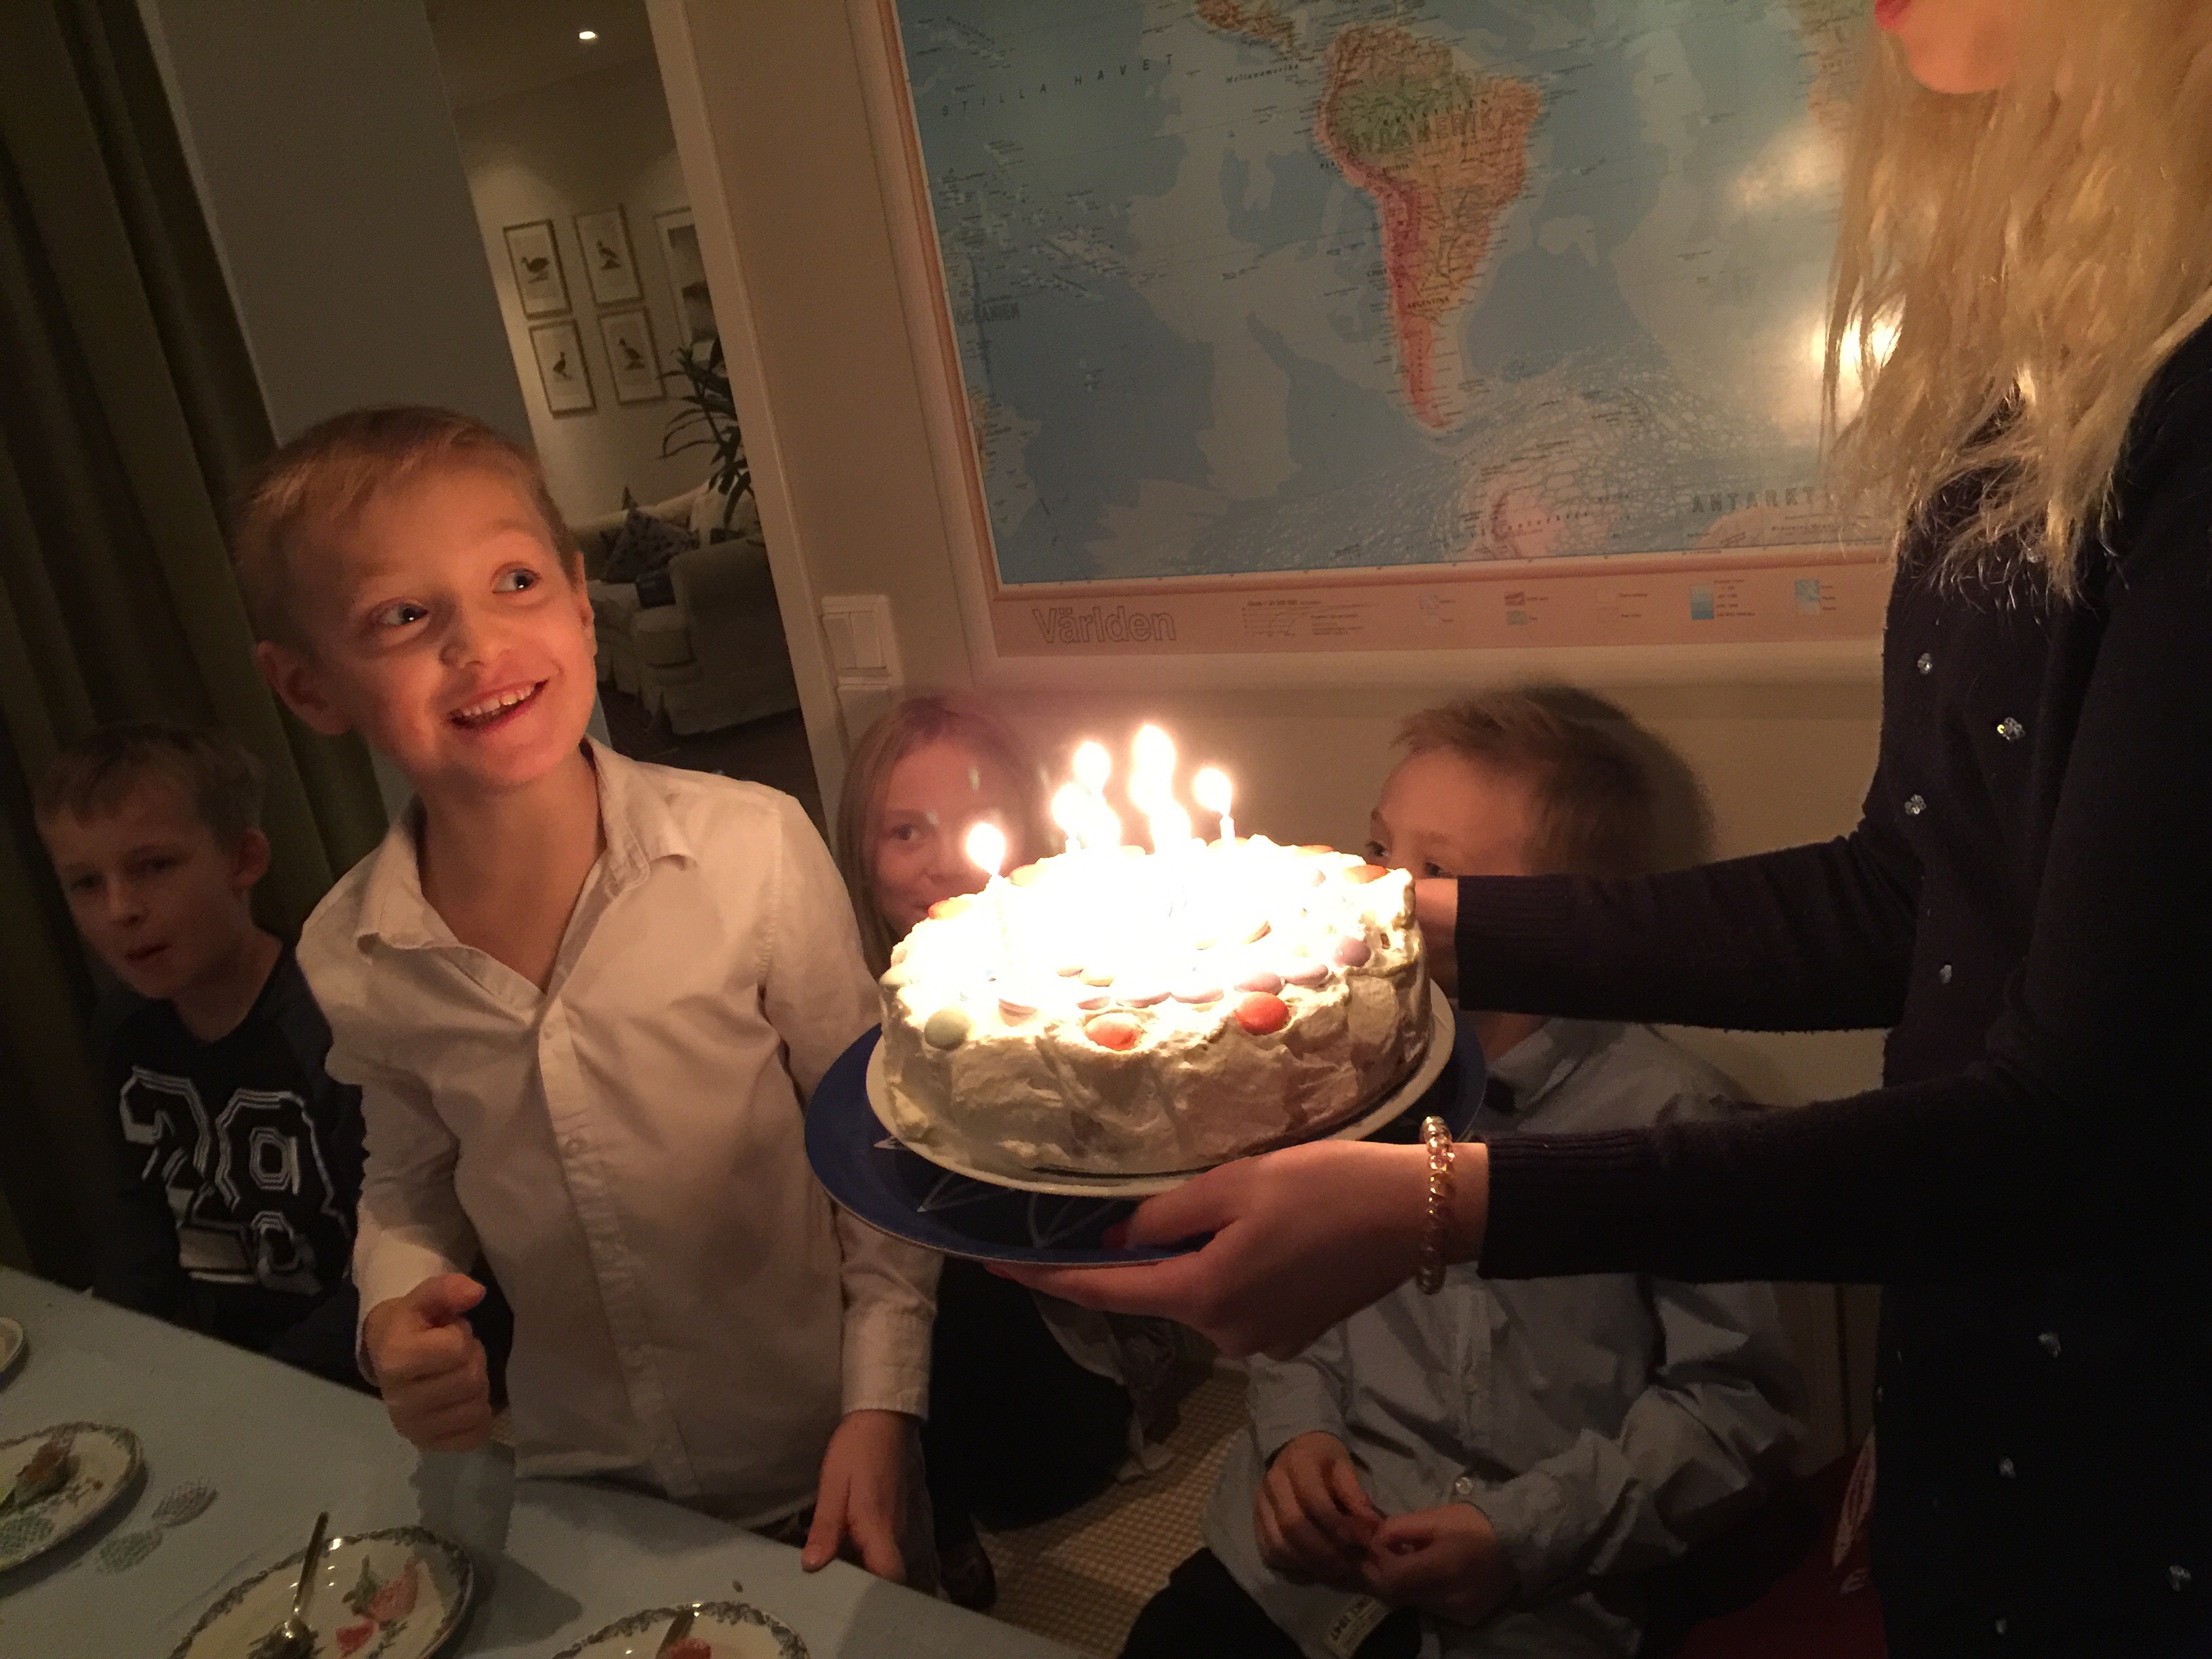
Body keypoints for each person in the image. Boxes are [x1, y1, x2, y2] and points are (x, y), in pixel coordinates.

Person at [1008, 3, 2212, 1650]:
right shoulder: (2047, 367)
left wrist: (1440, 1204)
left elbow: (2079, 1125)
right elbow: (1905, 889)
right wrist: (1386, 924)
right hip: (1991, 1384)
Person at [237, 407, 939, 1582]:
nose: (477, 644)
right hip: (587, 1484)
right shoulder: (353, 951)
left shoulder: (752, 849)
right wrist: (393, 1310)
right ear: (308, 686)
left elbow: (878, 1136)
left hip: (817, 1447)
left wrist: (882, 1403)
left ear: (576, 599)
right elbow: (407, 1182)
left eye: (513, 581)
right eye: (402, 616)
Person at [1120, 692, 1801, 1659]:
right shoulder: (1331, 1079)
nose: (1377, 898)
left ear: (1569, 920)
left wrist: (1521, 1535)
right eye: (1377, 850)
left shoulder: (1671, 1122)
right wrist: (1300, 1437)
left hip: (1534, 1602)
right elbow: (1289, 1304)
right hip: (1287, 1576)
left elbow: (1734, 1404)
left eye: (1435, 871)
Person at [836, 692, 1201, 1609]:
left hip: (1056, 1314)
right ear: (861, 857)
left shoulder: (1087, 996)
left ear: (1030, 836)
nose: (945, 860)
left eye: (978, 823)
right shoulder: (844, 1015)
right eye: (906, 831)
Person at [35, 722, 365, 1387]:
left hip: (351, 1375)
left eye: (153, 867)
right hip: (219, 1365)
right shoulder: (125, 1030)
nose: (120, 910)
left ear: (244, 860)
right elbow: (143, 1214)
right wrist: (115, 1352)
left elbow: (396, 1261)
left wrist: (248, 1387)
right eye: (86, 884)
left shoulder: (336, 1027)